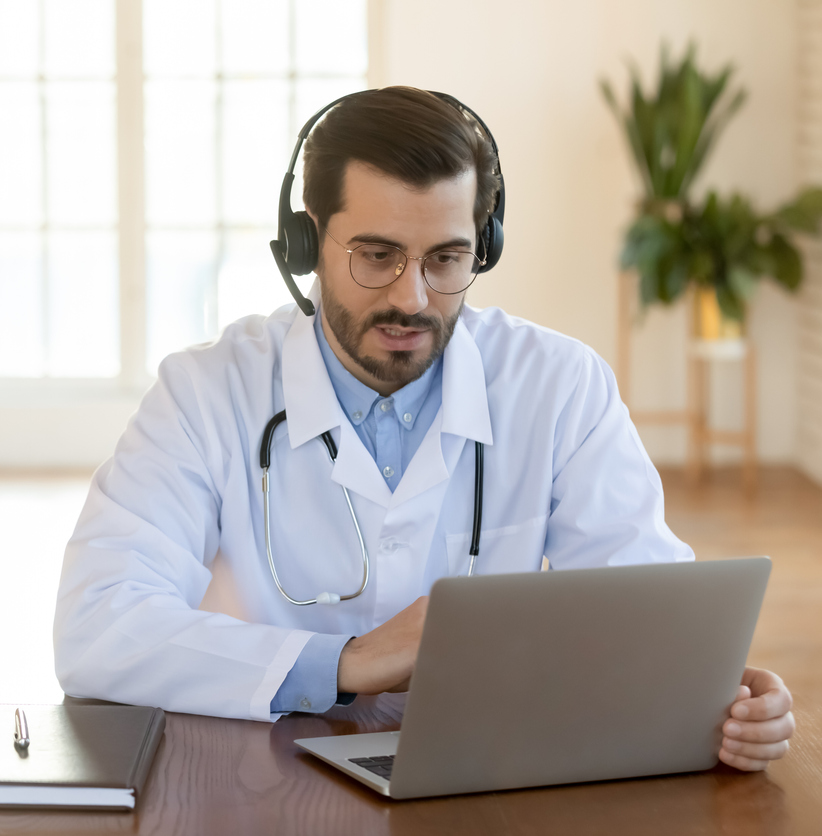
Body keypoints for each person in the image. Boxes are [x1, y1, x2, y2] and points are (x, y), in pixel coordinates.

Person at [53, 86, 794, 772]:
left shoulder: (560, 384)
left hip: (497, 772)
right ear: (307, 243)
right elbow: (99, 624)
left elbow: (653, 613)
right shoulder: (207, 391)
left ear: (485, 245)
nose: (412, 297)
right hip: (270, 773)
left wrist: (721, 697)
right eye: (376, 256)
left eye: (446, 258)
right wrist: (346, 661)